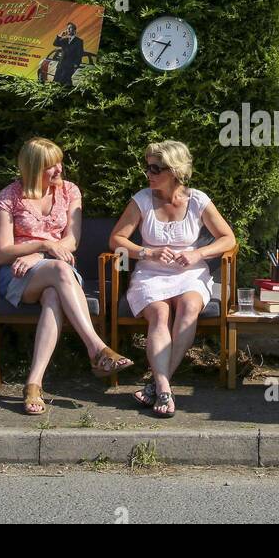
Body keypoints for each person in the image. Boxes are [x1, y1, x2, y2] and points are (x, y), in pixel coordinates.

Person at [0, 137, 132, 415]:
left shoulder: (70, 191)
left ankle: (33, 383)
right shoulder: (9, 196)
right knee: (60, 270)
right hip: (18, 274)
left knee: (54, 294)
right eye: (50, 166)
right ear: (32, 168)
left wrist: (42, 254)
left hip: (59, 272)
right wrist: (42, 246)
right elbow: (2, 253)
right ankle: (97, 349)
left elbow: (72, 241)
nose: (59, 170)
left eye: (59, 162)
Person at [108, 140, 236, 418]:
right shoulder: (141, 200)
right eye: (148, 167)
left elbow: (228, 238)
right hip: (151, 273)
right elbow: (116, 240)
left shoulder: (198, 200)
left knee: (190, 307)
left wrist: (198, 253)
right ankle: (164, 386)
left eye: (156, 168)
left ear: (175, 171)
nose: (148, 173)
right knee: (159, 313)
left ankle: (156, 384)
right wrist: (147, 252)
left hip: (190, 272)